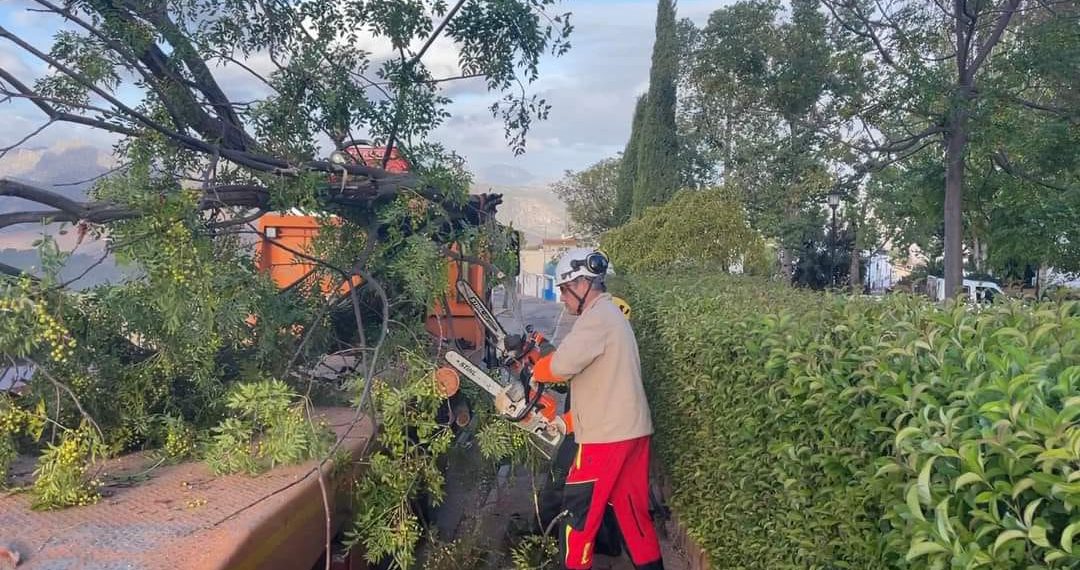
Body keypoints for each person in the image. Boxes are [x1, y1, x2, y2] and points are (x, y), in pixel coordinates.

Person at [530, 247, 664, 570]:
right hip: (632, 432)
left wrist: (534, 372)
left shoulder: (596, 318)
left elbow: (560, 366)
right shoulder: (613, 316)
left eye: (564, 289)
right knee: (634, 518)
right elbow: (603, 384)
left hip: (605, 441)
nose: (562, 297)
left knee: (578, 519)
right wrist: (567, 421)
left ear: (581, 284)